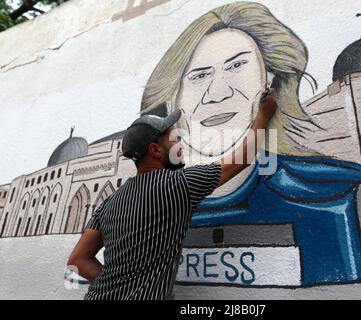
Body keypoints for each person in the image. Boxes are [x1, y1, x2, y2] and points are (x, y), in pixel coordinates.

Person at [139, 1, 361, 286]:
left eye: (237, 66)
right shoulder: (141, 215)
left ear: (269, 80)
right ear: (171, 98)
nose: (217, 93)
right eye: (199, 76)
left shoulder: (352, 196)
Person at [66, 90, 278, 300]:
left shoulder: (109, 202)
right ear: (156, 150)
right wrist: (264, 115)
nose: (181, 144)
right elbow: (241, 158)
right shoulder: (177, 185)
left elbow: (78, 260)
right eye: (174, 138)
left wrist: (121, 288)